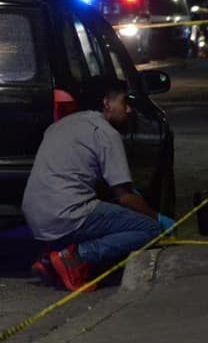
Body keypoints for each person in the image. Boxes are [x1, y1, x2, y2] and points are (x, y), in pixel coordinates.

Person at [21, 77, 175, 291]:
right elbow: (124, 196)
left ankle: (51, 259)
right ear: (107, 104)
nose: (129, 110)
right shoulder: (106, 133)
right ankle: (75, 258)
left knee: (106, 212)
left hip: (35, 217)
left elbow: (99, 186)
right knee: (147, 229)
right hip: (66, 215)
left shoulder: (62, 125)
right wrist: (157, 218)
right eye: (124, 102)